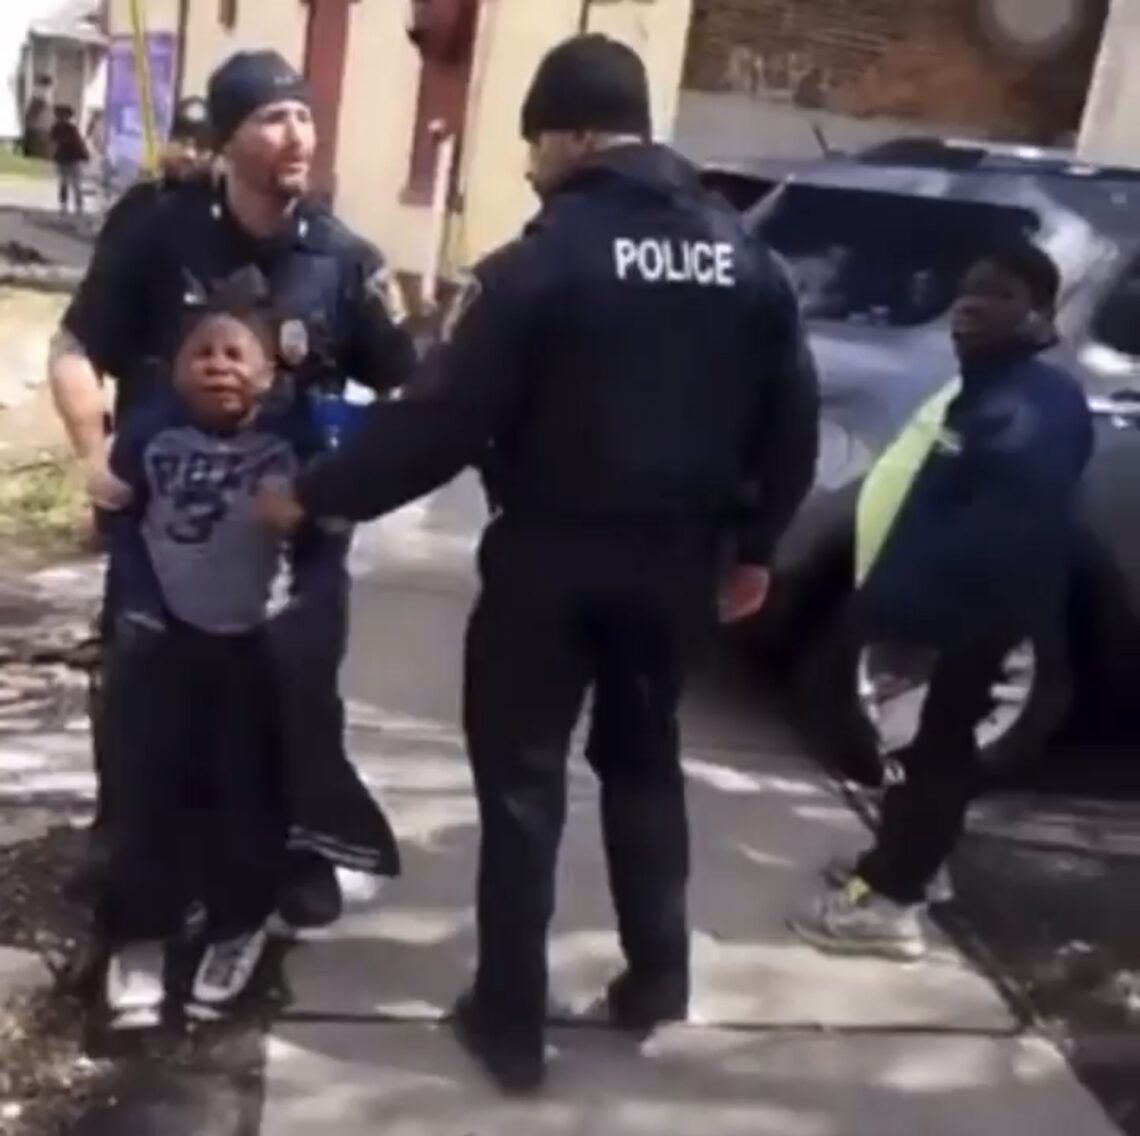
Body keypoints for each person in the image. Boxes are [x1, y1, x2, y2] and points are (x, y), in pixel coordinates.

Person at [254, 33, 820, 1093]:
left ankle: (511, 1021)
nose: (528, 167)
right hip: (676, 565)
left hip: (550, 561)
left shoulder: (537, 262)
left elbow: (441, 421)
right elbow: (792, 418)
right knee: (644, 762)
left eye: (532, 144)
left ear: (569, 135)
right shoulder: (749, 258)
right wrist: (755, 549)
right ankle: (659, 975)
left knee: (521, 787)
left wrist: (313, 495)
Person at [47, 49, 413, 931]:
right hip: (165, 523)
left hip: (289, 536)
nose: (298, 135)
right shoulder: (159, 229)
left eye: (305, 117)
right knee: (142, 685)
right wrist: (95, 454)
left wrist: (343, 479)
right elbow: (71, 346)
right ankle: (131, 840)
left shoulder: (343, 261)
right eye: (273, 119)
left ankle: (293, 846)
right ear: (228, 138)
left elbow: (409, 388)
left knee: (293, 689)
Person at [791, 239, 1093, 961]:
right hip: (930, 615)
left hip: (959, 624)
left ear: (1040, 315)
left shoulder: (1032, 408)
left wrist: (916, 619)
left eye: (996, 294)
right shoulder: (991, 390)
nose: (970, 306)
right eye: (965, 291)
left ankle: (894, 905)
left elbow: (1002, 532)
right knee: (916, 753)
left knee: (932, 756)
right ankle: (905, 866)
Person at [100, 287, 346, 1026]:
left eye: (234, 353)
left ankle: (238, 925)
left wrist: (303, 611)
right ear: (173, 370)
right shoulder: (148, 435)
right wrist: (136, 603)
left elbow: (326, 538)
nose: (217, 366)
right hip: (165, 644)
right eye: (200, 353)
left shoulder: (292, 446)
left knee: (248, 794)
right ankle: (142, 932)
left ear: (268, 373)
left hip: (253, 652)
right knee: (148, 792)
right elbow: (118, 518)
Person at [49, 105, 89, 216]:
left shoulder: (71, 129)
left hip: (72, 159)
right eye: (60, 116)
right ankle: (65, 205)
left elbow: (78, 144)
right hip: (63, 159)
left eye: (64, 116)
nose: (62, 118)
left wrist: (84, 155)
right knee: (65, 183)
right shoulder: (56, 128)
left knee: (74, 184)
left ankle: (78, 206)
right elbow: (53, 143)